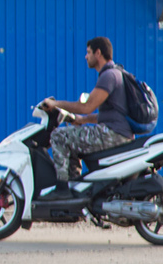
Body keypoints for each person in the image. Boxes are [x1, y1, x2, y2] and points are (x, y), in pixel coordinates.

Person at [41, 36, 134, 187]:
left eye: (88, 52)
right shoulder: (116, 73)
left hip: (112, 134)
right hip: (118, 132)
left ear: (98, 53)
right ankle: (76, 188)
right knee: (71, 137)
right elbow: (108, 115)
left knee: (59, 136)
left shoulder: (108, 76)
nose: (86, 56)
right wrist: (82, 120)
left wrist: (55, 103)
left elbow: (86, 107)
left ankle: (62, 188)